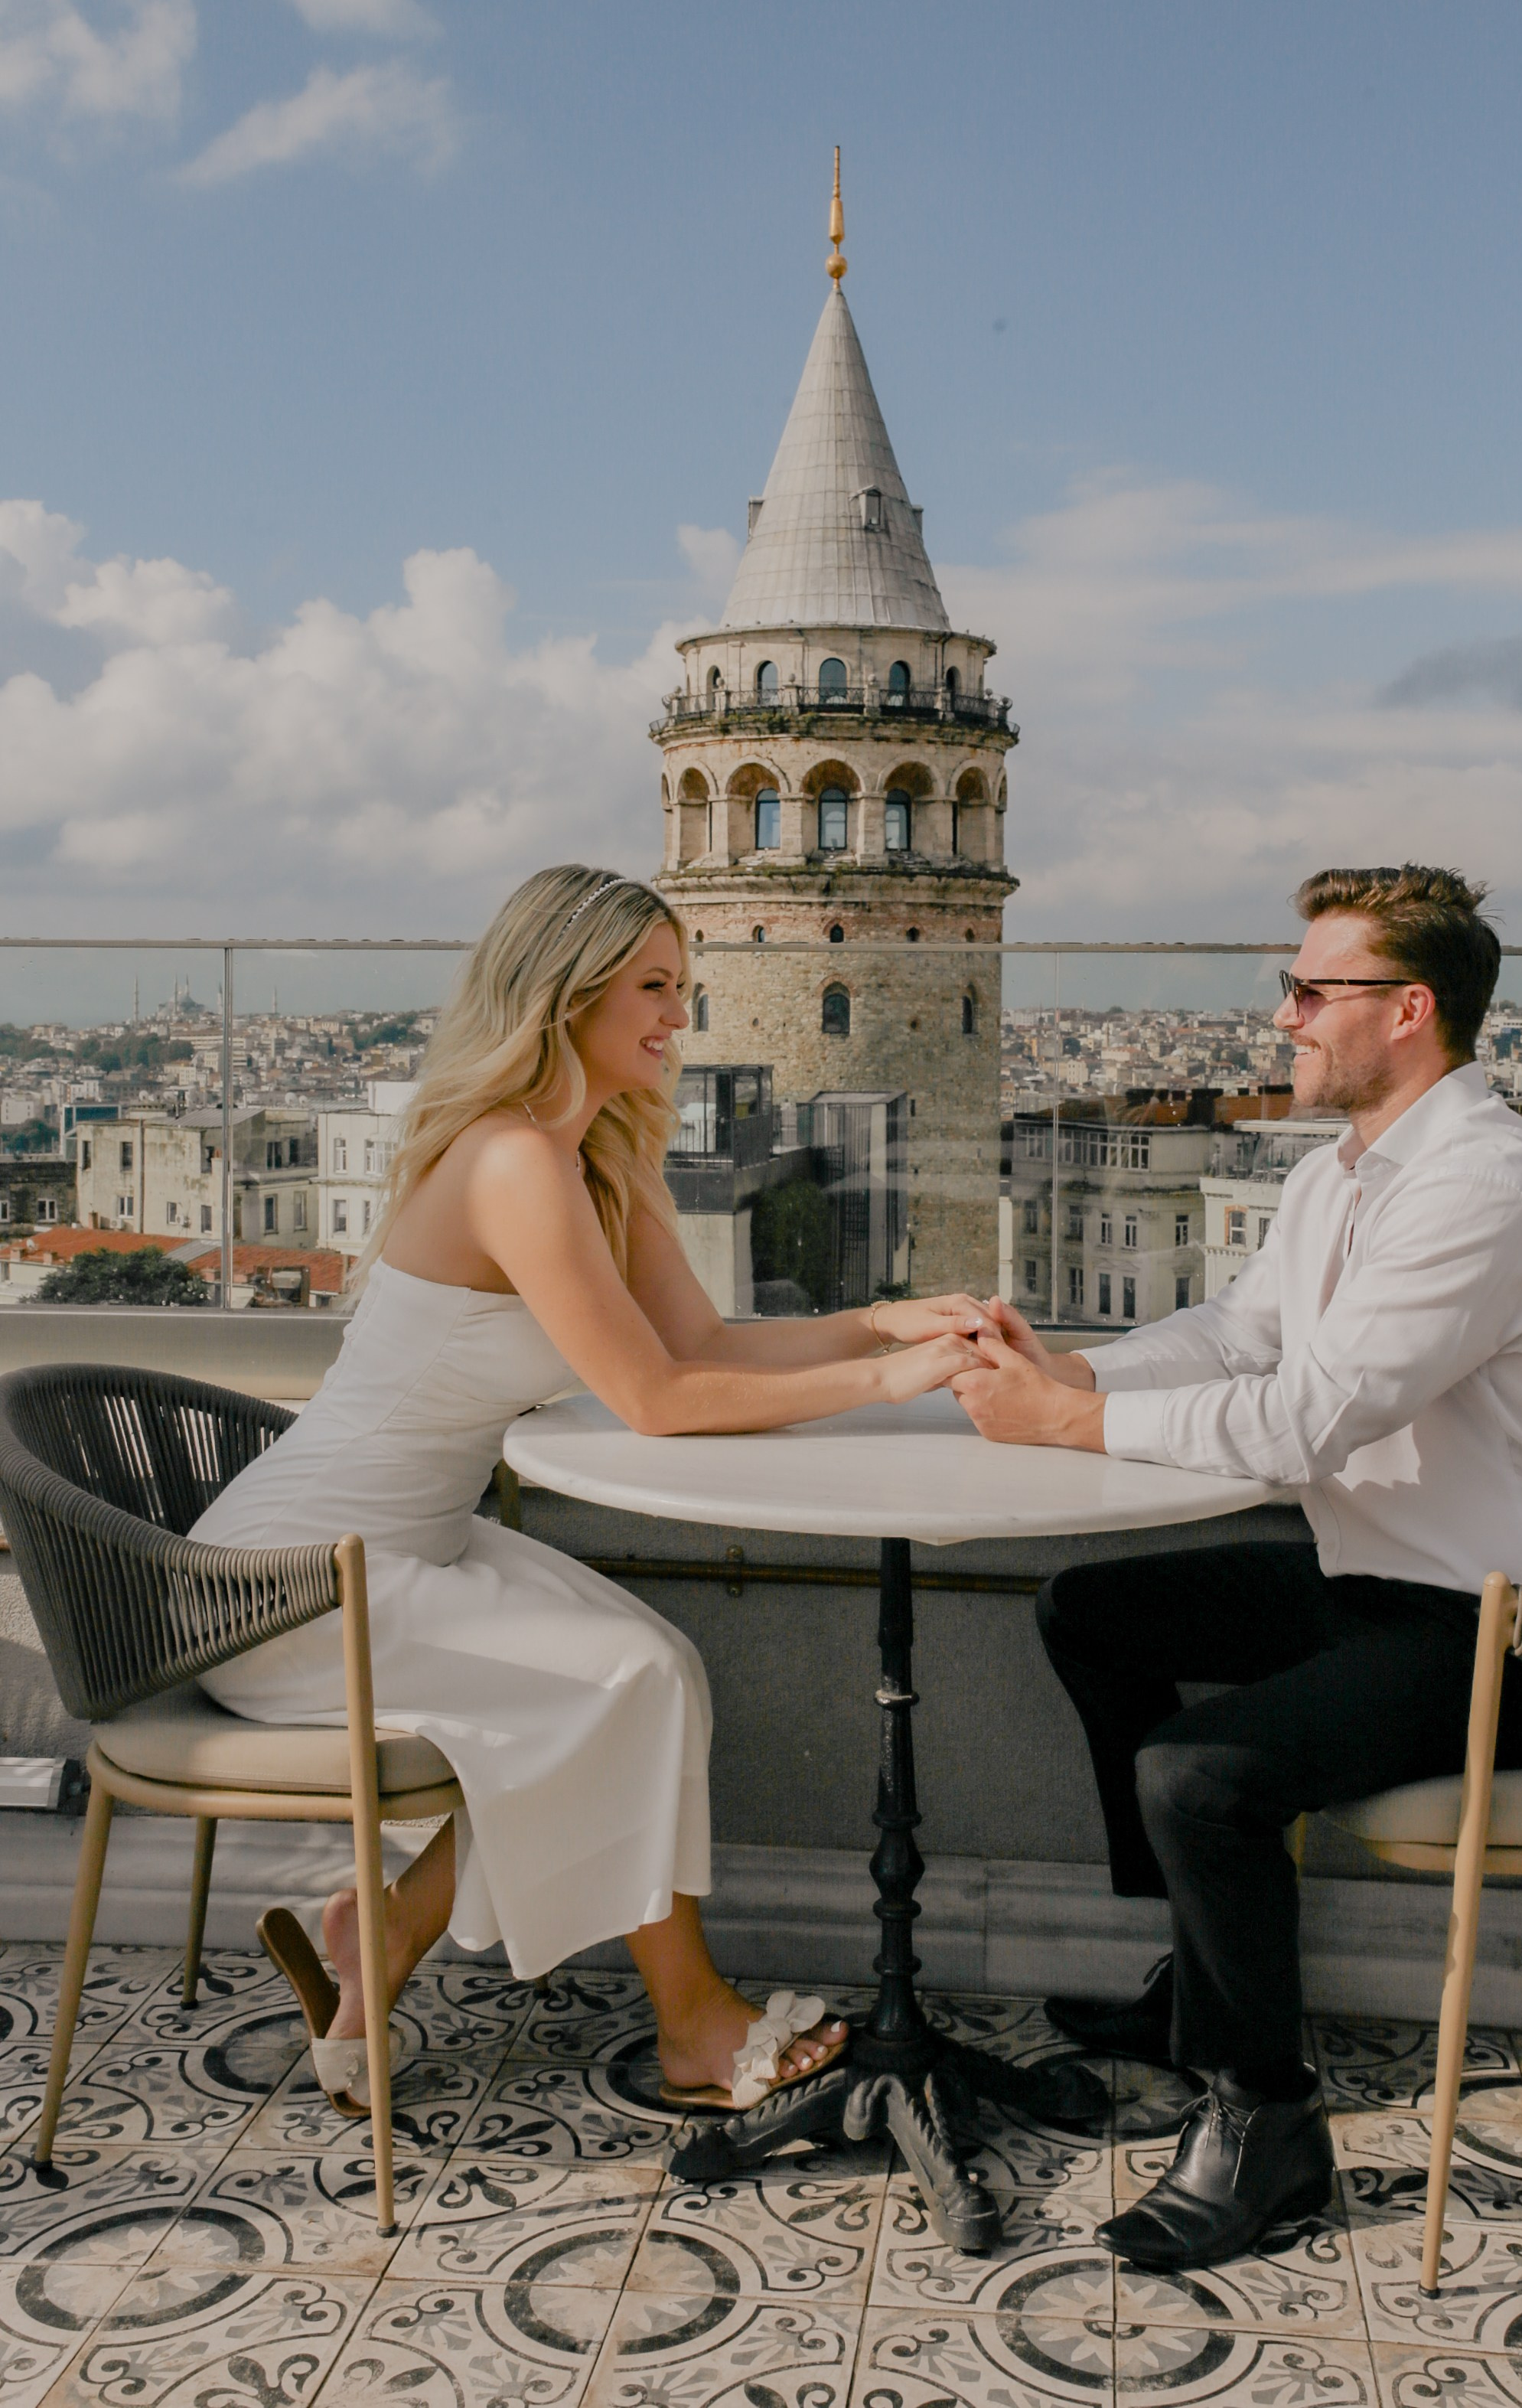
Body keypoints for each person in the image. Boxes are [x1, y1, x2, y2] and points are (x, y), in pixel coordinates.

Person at [189, 864, 982, 2118]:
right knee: (633, 1685)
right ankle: (690, 2023)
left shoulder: (595, 1150)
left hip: (409, 1548)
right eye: (654, 988)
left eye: (681, 987)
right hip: (292, 1584)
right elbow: (655, 1397)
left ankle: (388, 1933)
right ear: (566, 995)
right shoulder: (512, 1160)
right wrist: (886, 1385)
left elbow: (703, 1343)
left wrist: (884, 1323)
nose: (679, 1016)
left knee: (647, 1675)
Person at [951, 864, 1522, 2270]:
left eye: (1311, 990)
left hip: (1513, 1634)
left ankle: (1265, 2120)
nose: (1283, 1016)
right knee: (1092, 1613)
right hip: (1380, 1588)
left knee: (1197, 1774)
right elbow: (1234, 1335)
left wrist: (1068, 1426)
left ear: (1407, 1010)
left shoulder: (1480, 1186)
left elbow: (1309, 1419)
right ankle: (1200, 1981)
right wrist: (1077, 1371)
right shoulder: (1338, 1176)